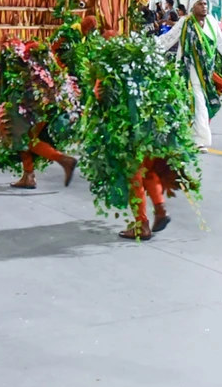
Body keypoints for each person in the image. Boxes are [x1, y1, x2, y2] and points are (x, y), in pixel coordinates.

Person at [77, 33, 200, 241]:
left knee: (133, 175)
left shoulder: (108, 68)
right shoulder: (145, 65)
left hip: (127, 132)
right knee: (148, 170)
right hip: (151, 128)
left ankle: (141, 224)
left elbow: (100, 95)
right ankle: (160, 209)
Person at [0, 38, 79, 189]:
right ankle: (28, 176)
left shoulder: (15, 60)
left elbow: (5, 83)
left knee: (25, 138)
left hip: (30, 105)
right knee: (27, 138)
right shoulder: (42, 62)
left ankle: (63, 160)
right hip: (47, 103)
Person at [156, 0, 222, 149]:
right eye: (200, 4)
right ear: (193, 7)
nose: (204, 6)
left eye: (205, 3)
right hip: (189, 70)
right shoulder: (185, 22)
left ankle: (184, 134)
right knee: (198, 103)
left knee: (200, 103)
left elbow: (221, 41)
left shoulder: (211, 22)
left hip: (206, 72)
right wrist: (148, 48)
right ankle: (200, 140)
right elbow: (169, 38)